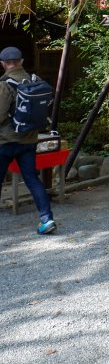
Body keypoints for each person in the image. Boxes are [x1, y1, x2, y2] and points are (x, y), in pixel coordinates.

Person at [0, 46, 56, 234]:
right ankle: (47, 219)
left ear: (3, 64)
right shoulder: (34, 80)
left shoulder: (5, 84)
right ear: (21, 62)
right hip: (29, 141)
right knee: (32, 179)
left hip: (5, 142)